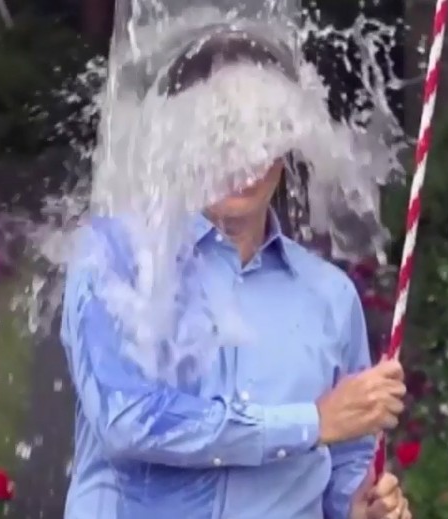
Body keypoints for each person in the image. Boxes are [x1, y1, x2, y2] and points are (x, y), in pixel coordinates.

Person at [61, 29, 411, 519]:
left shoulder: (331, 297)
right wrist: (311, 422)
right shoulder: (115, 258)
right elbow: (128, 419)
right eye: (220, 128)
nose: (243, 152)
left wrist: (364, 509)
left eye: (263, 128)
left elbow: (345, 470)